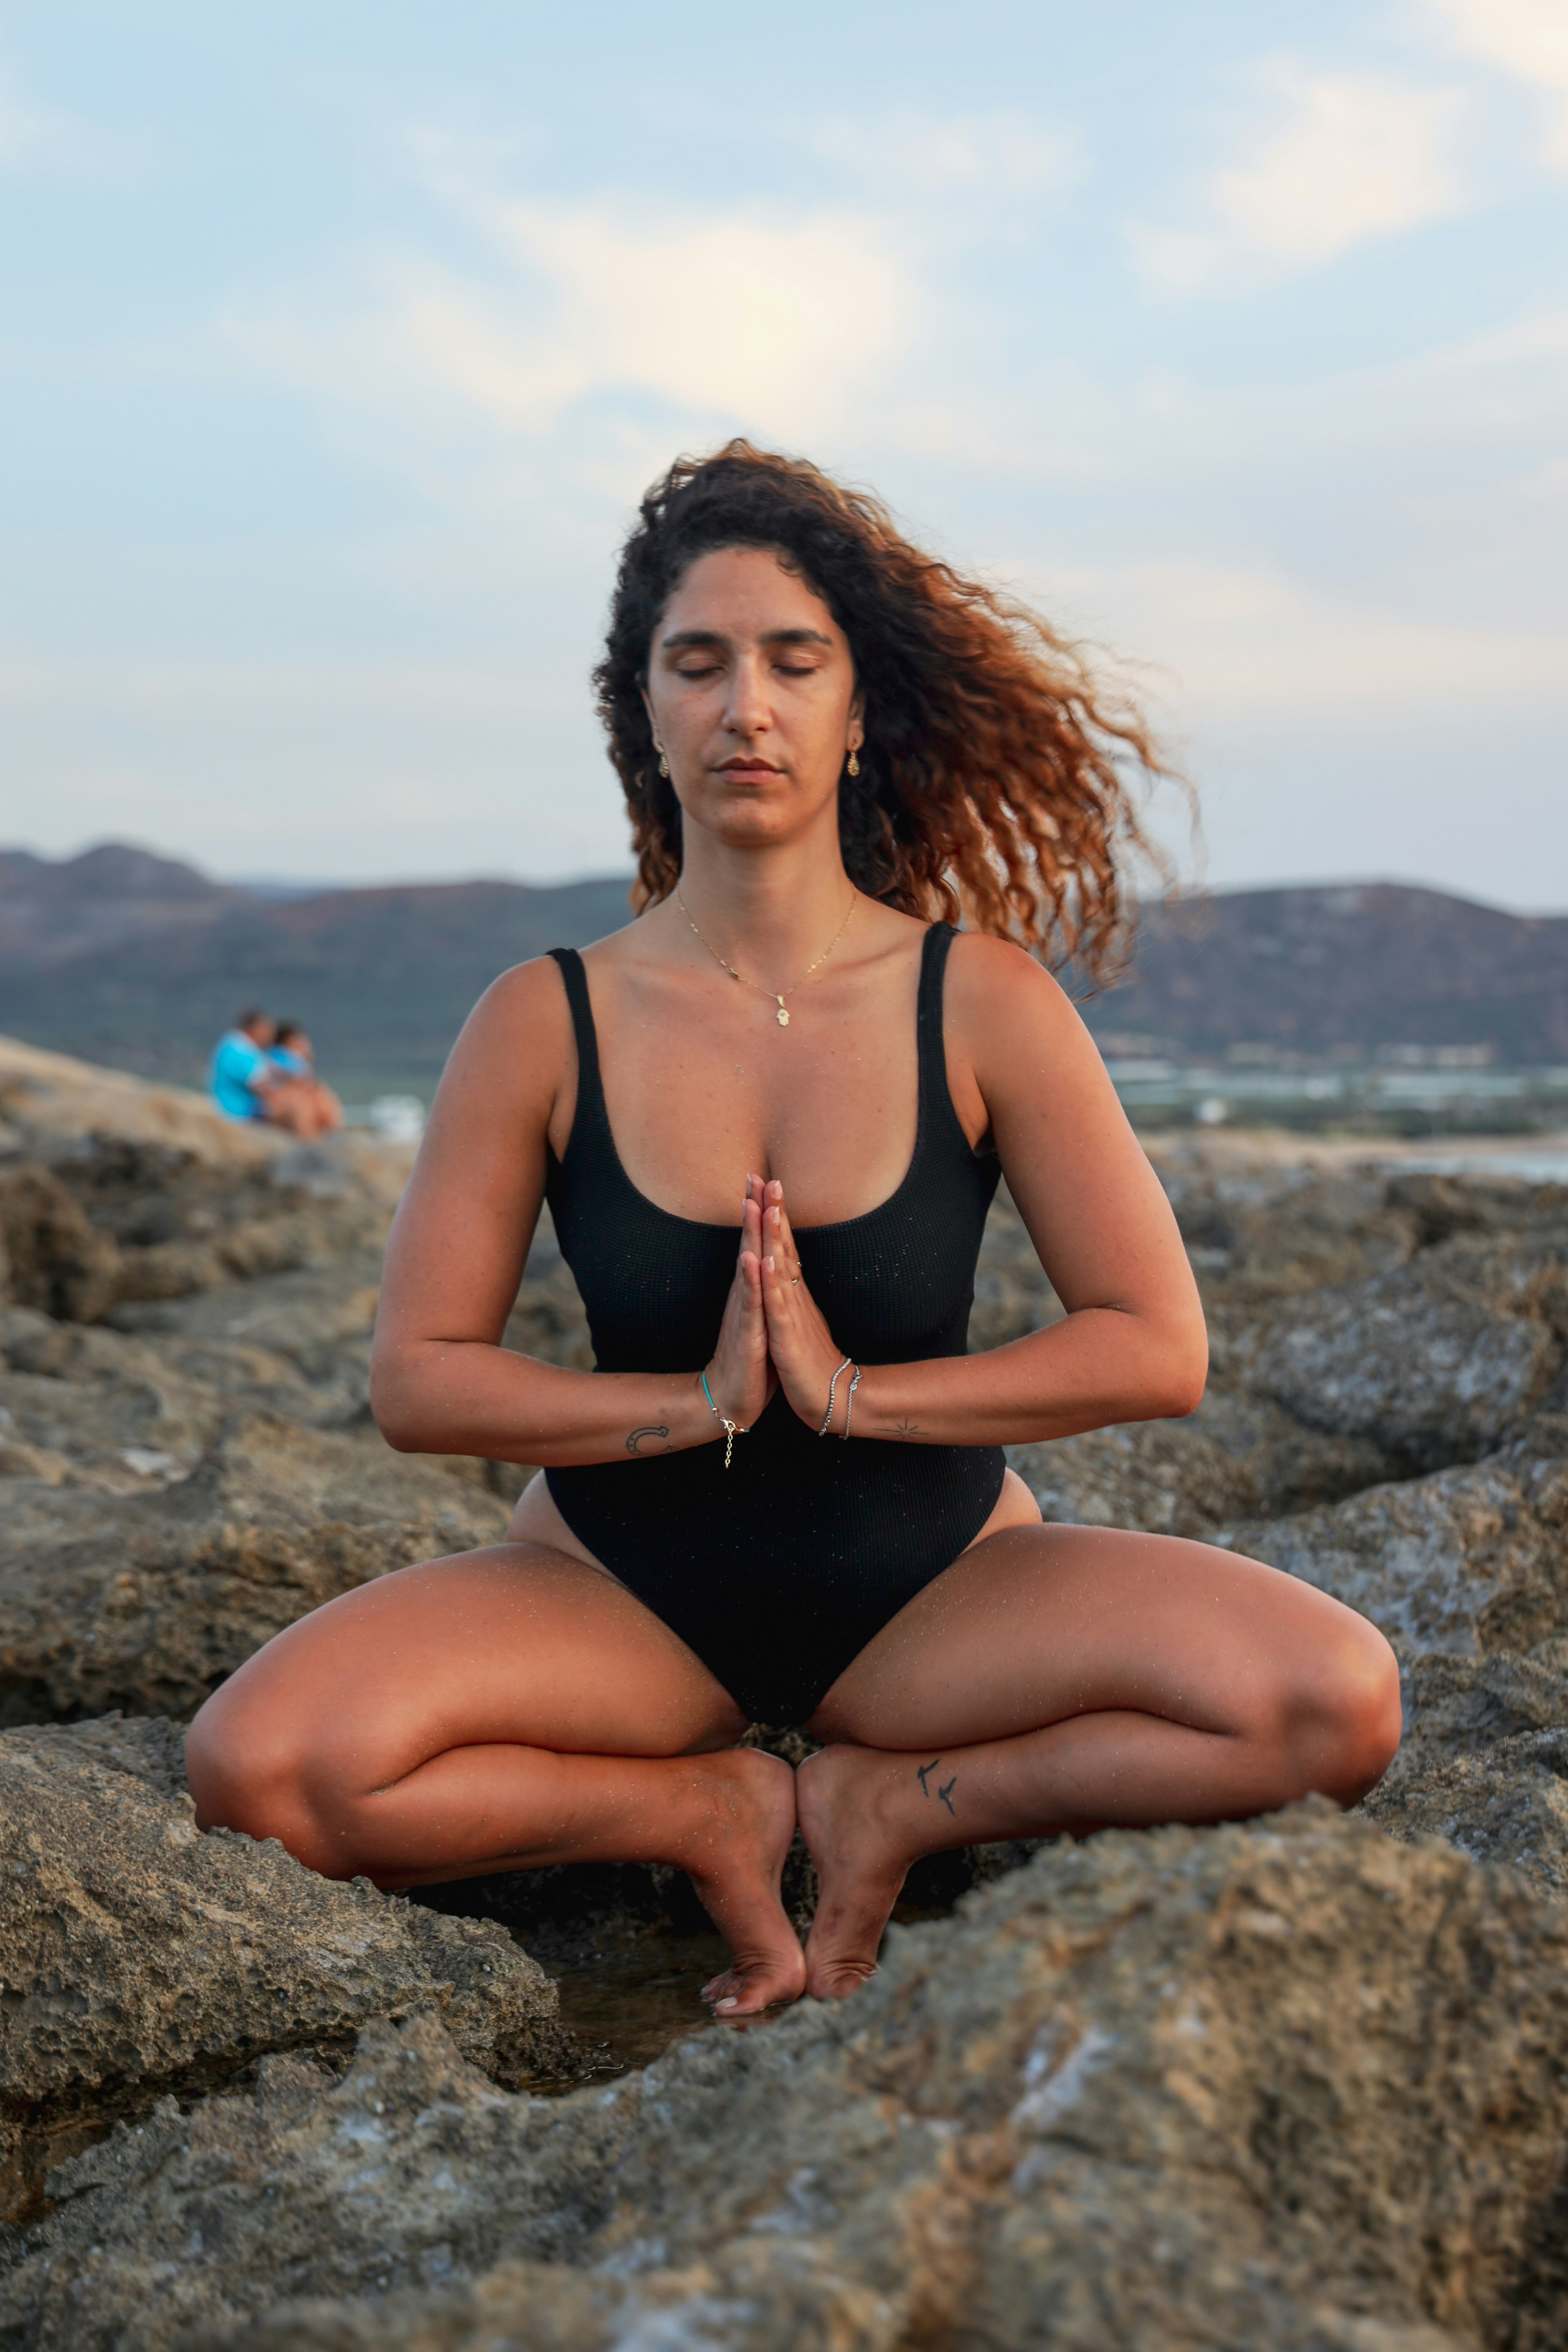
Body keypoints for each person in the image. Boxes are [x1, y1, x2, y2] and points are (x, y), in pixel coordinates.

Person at [186, 443, 1401, 2018]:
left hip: (934, 1592)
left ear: (853, 707)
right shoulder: (541, 1017)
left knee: (1328, 1702)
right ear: (644, 710)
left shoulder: (979, 1001)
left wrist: (852, 1399)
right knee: (256, 1767)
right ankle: (704, 1810)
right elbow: (422, 1379)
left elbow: (1155, 1347)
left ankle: (890, 1801)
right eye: (696, 664)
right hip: (619, 1599)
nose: (743, 705)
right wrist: (687, 1407)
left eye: (790, 660)